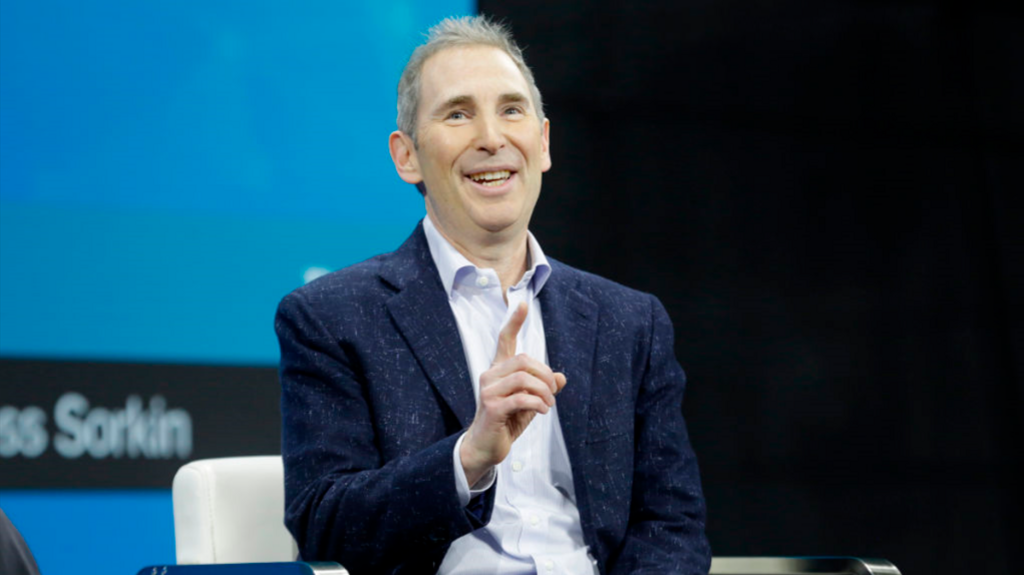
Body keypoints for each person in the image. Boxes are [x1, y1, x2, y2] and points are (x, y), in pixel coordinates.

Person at [275, 15, 710, 575]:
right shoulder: (331, 317)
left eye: (511, 110)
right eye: (458, 114)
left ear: (544, 142)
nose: (491, 137)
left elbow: (671, 525)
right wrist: (469, 457)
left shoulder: (629, 321)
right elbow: (325, 524)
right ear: (406, 156)